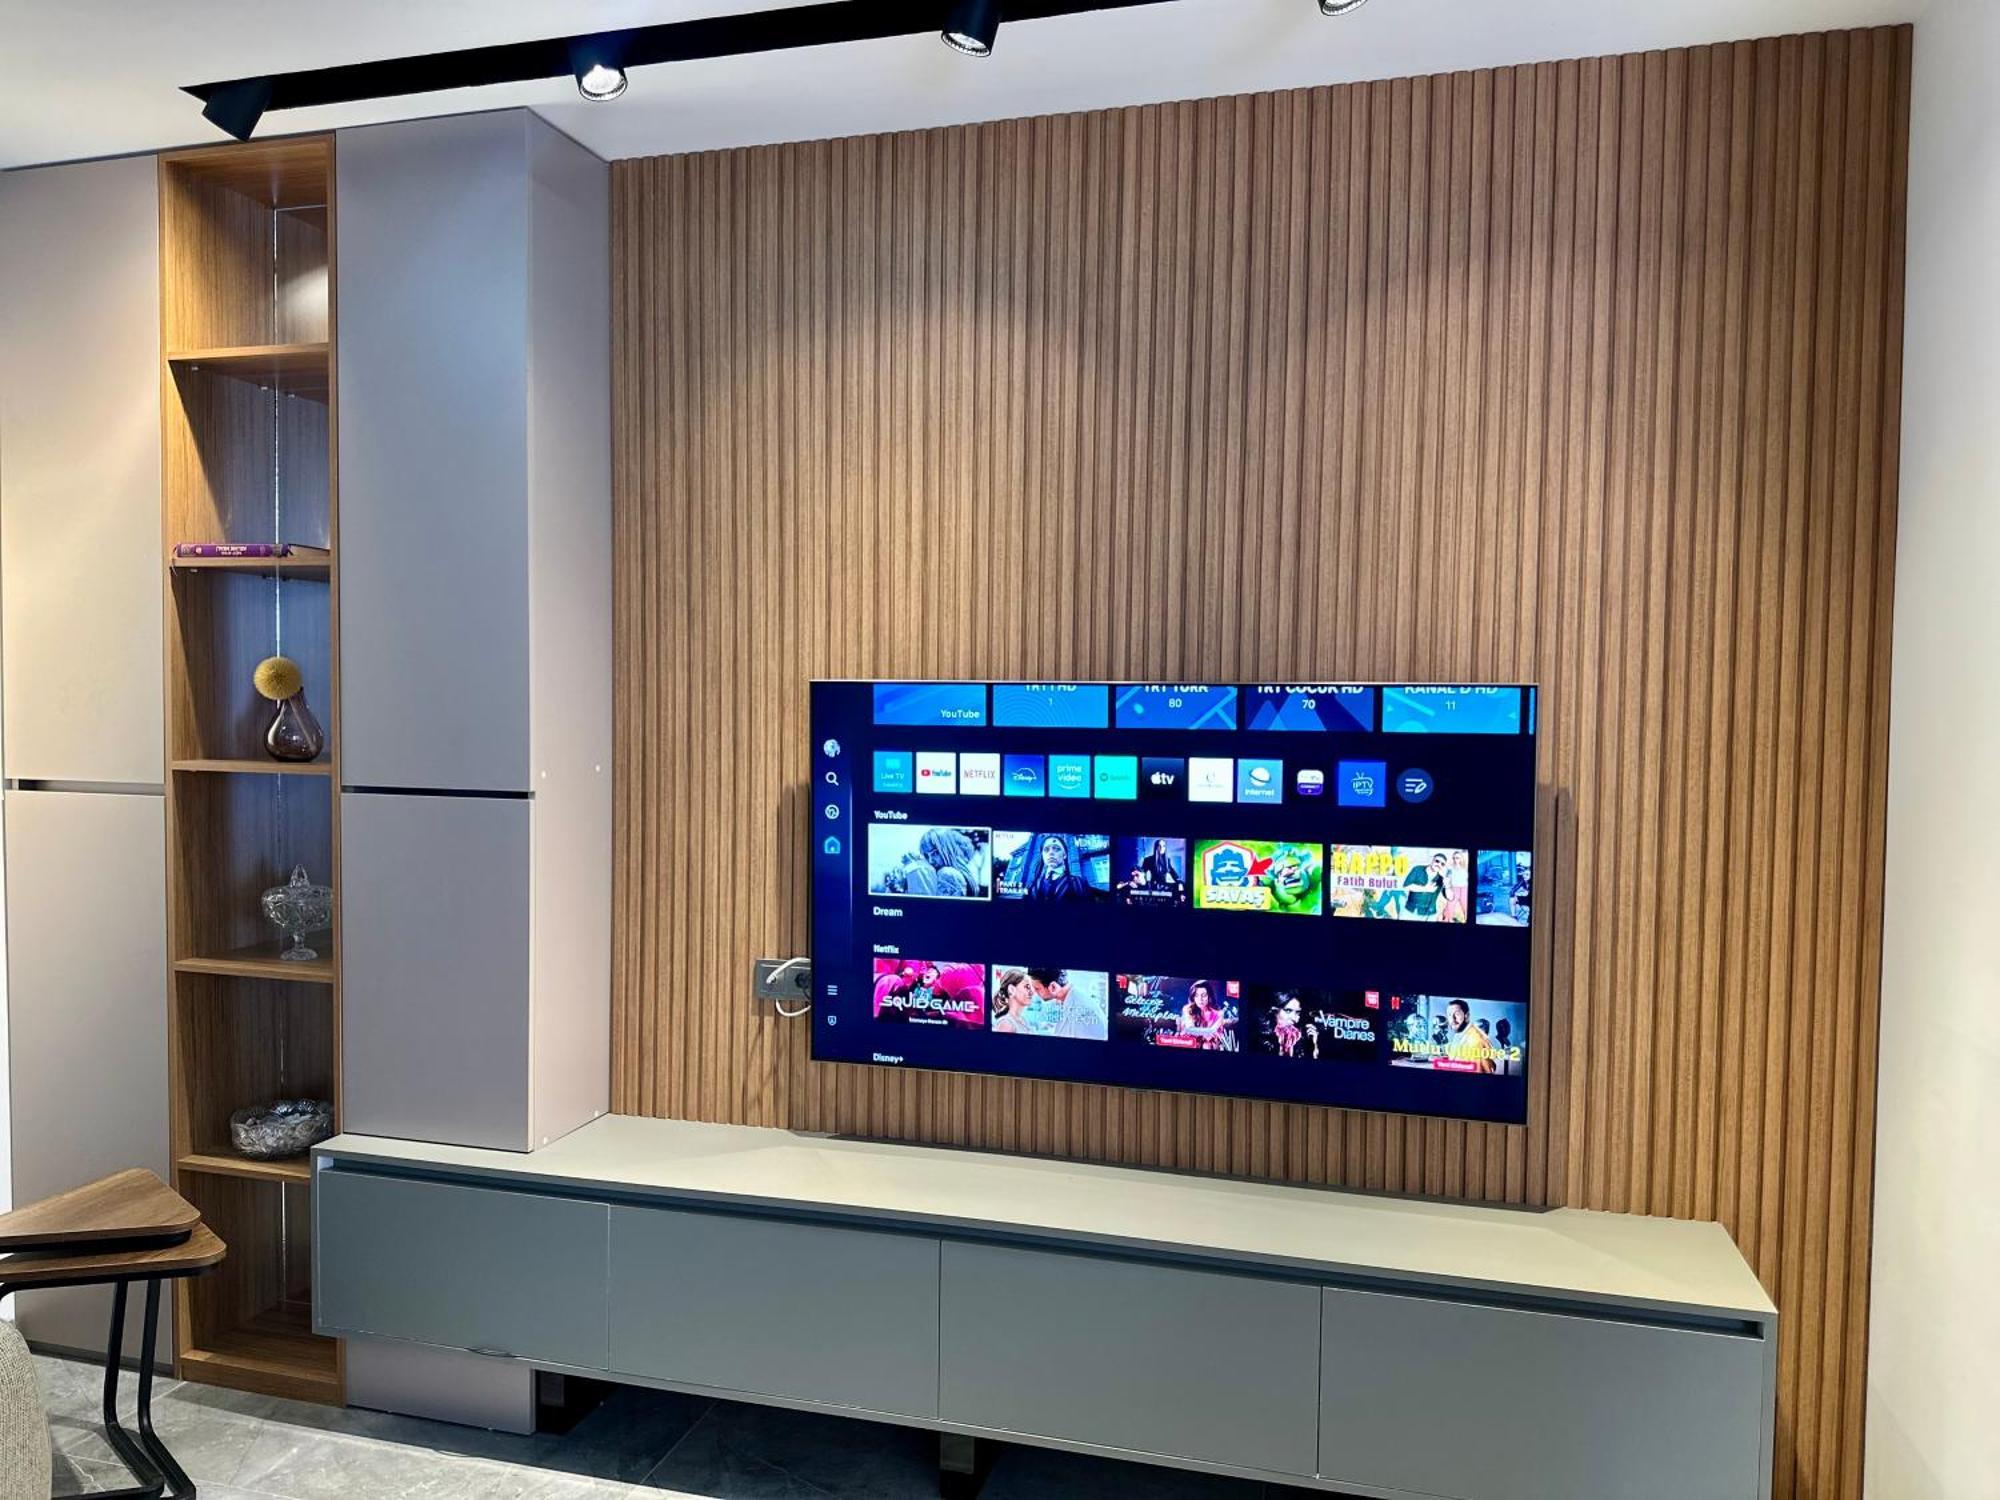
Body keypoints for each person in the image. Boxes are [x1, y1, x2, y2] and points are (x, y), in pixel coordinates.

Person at [1028, 967, 1108, 1040]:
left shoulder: (1083, 1013)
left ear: (1053, 987)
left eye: (1037, 988)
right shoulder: (1066, 1001)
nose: (1034, 993)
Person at [1017, 834, 1101, 902]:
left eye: (1056, 849)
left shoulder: (1079, 883)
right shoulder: (1032, 885)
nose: (1051, 853)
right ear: (1042, 856)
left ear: (1064, 855)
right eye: (1046, 850)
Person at [1443, 998, 1497, 1072]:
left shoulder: (1476, 1040)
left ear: (1467, 1016)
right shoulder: (1459, 1034)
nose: (1452, 1019)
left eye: (1457, 1014)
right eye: (1449, 1015)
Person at [1401, 852, 1450, 921]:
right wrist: (1425, 888)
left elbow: (1450, 897)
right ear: (1432, 860)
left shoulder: (1441, 879)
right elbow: (1406, 886)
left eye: (1442, 864)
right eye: (1437, 861)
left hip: (1429, 914)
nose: (1439, 864)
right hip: (1410, 911)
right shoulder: (1417, 869)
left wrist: (1447, 885)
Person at [990, 969, 1035, 1034]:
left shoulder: (1022, 1020)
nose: (1032, 992)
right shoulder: (1006, 1024)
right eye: (1027, 986)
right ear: (1011, 990)